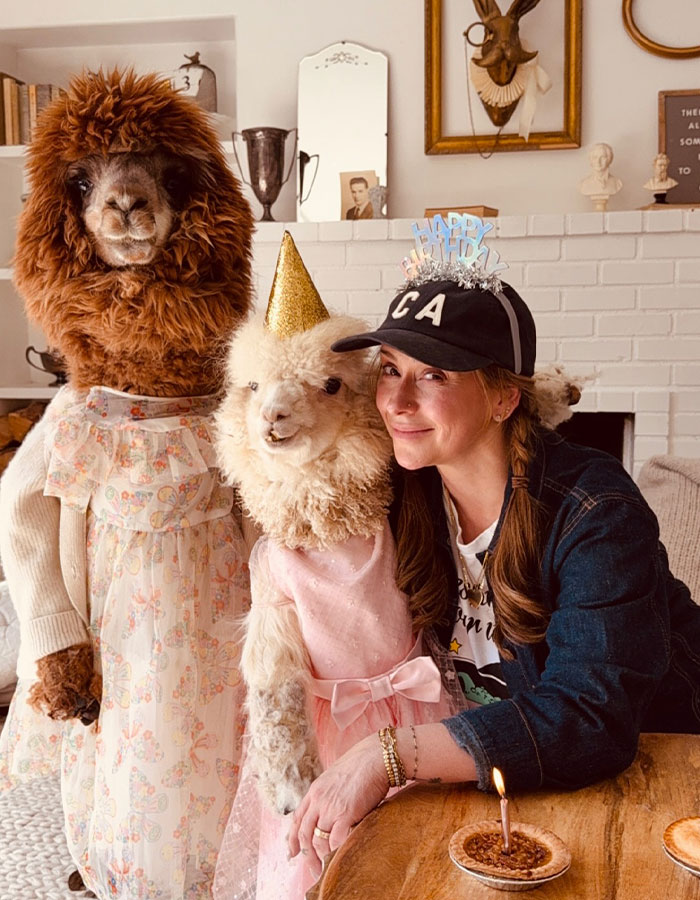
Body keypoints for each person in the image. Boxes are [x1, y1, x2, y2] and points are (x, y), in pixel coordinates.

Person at [286, 250, 700, 879]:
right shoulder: (403, 494)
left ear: (505, 396)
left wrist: (388, 755)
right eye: (390, 370)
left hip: (661, 766)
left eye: (434, 377)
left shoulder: (595, 508)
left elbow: (591, 716)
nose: (395, 401)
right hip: (513, 773)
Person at [579, 142, 622, 210]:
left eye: (602, 157)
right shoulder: (584, 184)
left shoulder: (617, 183)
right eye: (595, 157)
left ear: (609, 160)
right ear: (591, 160)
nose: (598, 161)